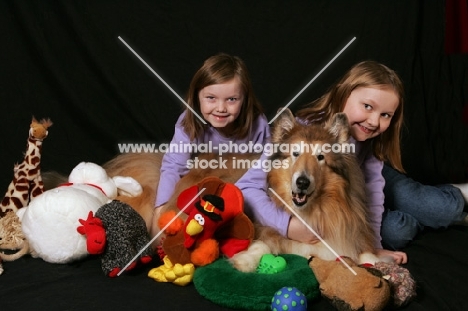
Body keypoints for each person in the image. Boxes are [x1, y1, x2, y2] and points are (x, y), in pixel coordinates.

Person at [295, 60, 468, 264]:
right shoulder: (305, 132)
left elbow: (374, 189)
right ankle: (429, 218)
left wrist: (373, 247)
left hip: (377, 179)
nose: (374, 122)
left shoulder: (367, 144)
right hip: (353, 196)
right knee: (397, 232)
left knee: (439, 208)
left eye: (385, 115)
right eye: (367, 106)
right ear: (343, 94)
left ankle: (456, 196)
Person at [151, 53, 317, 244]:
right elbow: (173, 165)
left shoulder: (258, 125)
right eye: (211, 98)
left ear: (244, 99)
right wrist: (161, 208)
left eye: (231, 100)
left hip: (238, 192)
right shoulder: (187, 124)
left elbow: (263, 176)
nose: (221, 108)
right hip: (200, 185)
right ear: (197, 97)